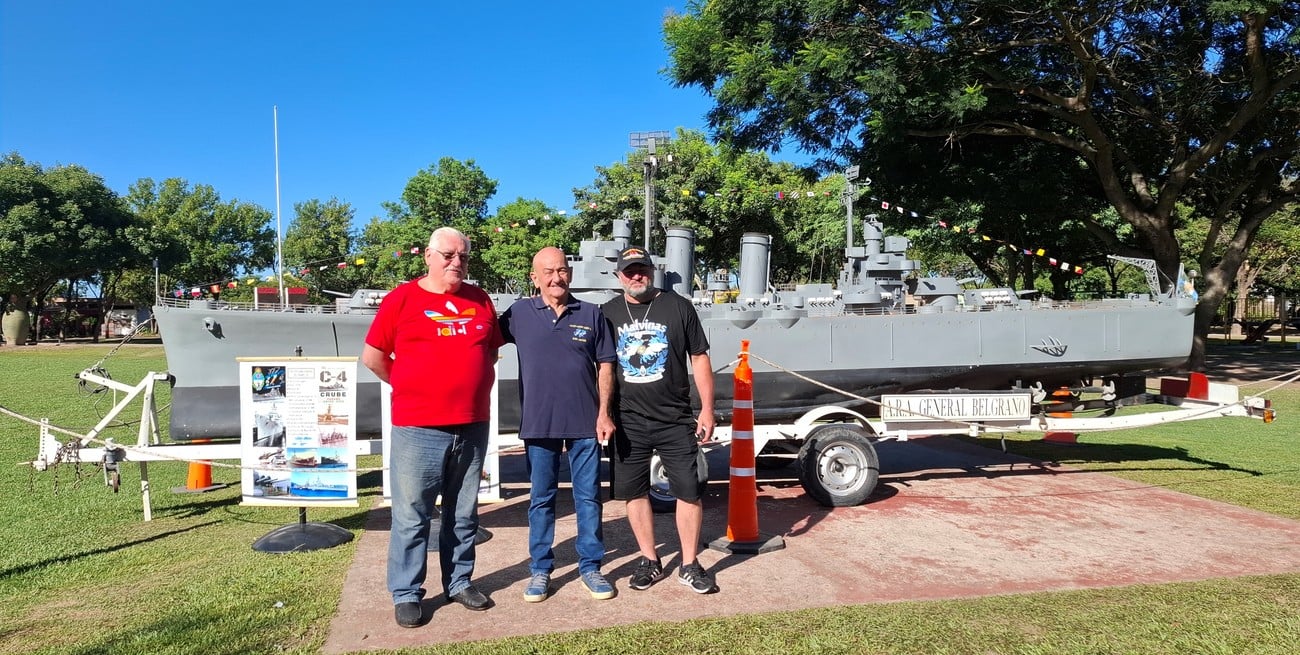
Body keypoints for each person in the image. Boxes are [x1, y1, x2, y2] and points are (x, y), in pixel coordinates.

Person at [361, 226, 504, 628]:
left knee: (463, 513)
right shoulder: (401, 299)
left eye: (463, 256)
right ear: (428, 256)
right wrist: (410, 386)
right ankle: (407, 592)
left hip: (472, 425)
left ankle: (459, 582)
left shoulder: (480, 299)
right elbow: (373, 357)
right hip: (418, 427)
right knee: (412, 515)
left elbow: (490, 354)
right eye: (448, 255)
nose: (457, 262)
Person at [499, 246, 617, 602]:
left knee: (588, 498)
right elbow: (481, 343)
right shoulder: (518, 314)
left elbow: (606, 365)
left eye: (562, 270)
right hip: (539, 424)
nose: (556, 278)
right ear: (534, 278)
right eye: (548, 272)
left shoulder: (592, 314)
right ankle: (540, 569)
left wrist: (604, 413)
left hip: (585, 423)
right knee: (541, 499)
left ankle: (590, 567)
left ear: (571, 273)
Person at [602, 246, 719, 594]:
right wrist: (602, 413)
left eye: (642, 269)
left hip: (675, 419)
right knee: (634, 493)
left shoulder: (679, 307)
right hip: (628, 420)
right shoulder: (607, 313)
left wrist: (707, 408)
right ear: (619, 276)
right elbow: (602, 367)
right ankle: (649, 559)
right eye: (629, 271)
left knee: (689, 491)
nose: (636, 276)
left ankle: (689, 564)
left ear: (652, 271)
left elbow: (699, 357)